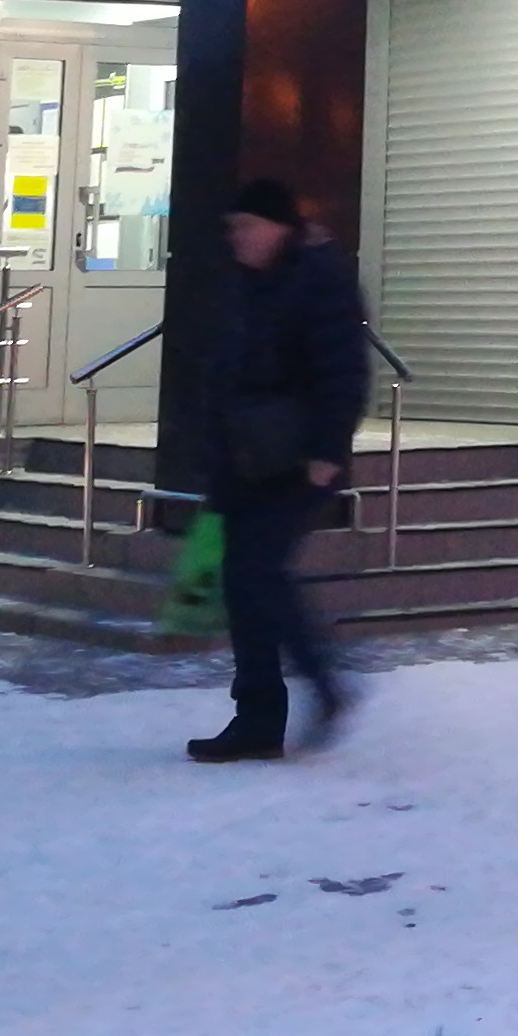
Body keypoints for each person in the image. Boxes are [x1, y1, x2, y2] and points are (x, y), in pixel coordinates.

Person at [181, 179, 369, 763]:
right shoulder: (250, 281)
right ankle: (259, 719)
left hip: (294, 459)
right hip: (245, 456)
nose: (236, 237)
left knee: (258, 573)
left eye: (246, 226)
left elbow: (344, 369)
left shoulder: (318, 278)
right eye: (232, 227)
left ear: (278, 227)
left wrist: (326, 451)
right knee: (244, 583)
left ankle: (321, 685)